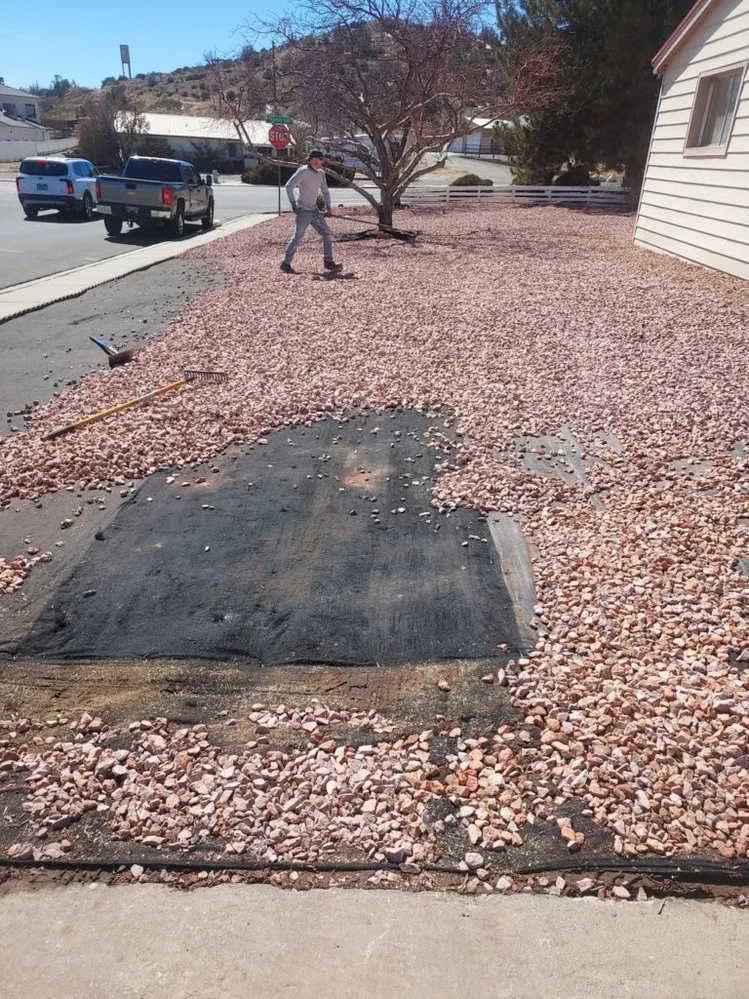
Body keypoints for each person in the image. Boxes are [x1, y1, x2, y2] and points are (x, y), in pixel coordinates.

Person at [281, 150, 342, 274]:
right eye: (321, 159)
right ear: (314, 160)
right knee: (297, 237)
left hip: (314, 211)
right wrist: (293, 204)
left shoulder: (321, 174)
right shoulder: (303, 171)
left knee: (326, 234)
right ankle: (285, 264)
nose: (323, 162)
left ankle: (328, 262)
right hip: (303, 211)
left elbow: (325, 192)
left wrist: (328, 208)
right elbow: (289, 186)